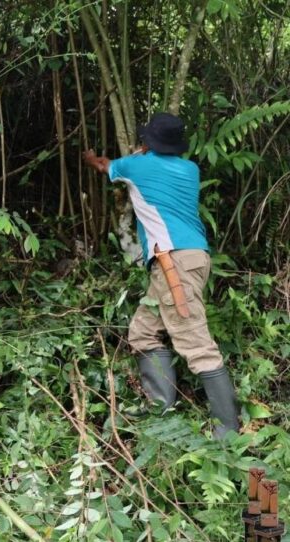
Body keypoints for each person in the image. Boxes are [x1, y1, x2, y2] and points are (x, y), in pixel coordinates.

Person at [83, 112, 239, 439]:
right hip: (193, 257)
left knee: (196, 344)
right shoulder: (190, 169)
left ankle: (228, 433)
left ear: (147, 142)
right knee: (142, 331)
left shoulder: (136, 166)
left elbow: (105, 166)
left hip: (174, 263)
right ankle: (160, 407)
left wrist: (91, 158)